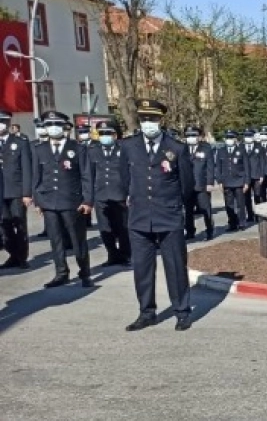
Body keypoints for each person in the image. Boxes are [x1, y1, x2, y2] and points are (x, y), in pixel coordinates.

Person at [120, 99, 194, 332]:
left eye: (152, 119)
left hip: (169, 216)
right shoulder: (129, 146)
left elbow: (187, 186)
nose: (148, 123)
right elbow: (124, 180)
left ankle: (181, 311)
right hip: (140, 217)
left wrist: (179, 210)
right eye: (144, 119)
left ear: (161, 121)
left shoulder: (177, 148)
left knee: (175, 267)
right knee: (142, 268)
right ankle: (147, 312)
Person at [31, 111, 94, 288]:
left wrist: (88, 201)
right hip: (49, 201)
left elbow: (86, 176)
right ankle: (61, 273)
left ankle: (85, 273)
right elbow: (37, 177)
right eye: (49, 125)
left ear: (64, 127)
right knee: (56, 239)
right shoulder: (39, 149)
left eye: (56, 124)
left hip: (72, 201)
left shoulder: (78, 148)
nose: (53, 128)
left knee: (77, 240)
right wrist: (38, 201)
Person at [88, 121, 131, 267]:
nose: (104, 136)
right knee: (105, 227)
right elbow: (90, 175)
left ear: (114, 134)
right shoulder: (93, 150)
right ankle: (112, 254)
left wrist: (130, 192)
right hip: (101, 195)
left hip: (120, 194)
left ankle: (125, 255)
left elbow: (130, 173)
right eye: (101, 134)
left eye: (107, 133)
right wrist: (89, 196)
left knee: (123, 227)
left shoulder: (123, 149)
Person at [0, 108, 33, 270]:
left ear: (8, 123)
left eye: (3, 122)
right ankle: (12, 254)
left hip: (16, 191)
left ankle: (22, 257)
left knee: (19, 224)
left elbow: (27, 168)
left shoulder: (19, 143)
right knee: (4, 225)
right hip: (1, 193)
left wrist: (27, 193)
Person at [183, 126, 216, 241]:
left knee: (205, 209)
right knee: (188, 210)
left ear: (199, 136)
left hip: (202, 184)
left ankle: (210, 230)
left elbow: (210, 166)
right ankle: (190, 231)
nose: (191, 138)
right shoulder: (183, 148)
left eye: (193, 135)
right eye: (188, 136)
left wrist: (210, 182)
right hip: (187, 185)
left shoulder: (206, 148)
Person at [216, 130, 250, 232]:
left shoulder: (241, 150)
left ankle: (242, 223)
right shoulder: (221, 151)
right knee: (229, 205)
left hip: (239, 181)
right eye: (227, 138)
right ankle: (232, 223)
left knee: (240, 204)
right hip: (226, 181)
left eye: (231, 138)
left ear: (235, 139)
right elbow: (218, 167)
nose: (229, 140)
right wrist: (219, 181)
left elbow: (246, 167)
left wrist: (247, 182)